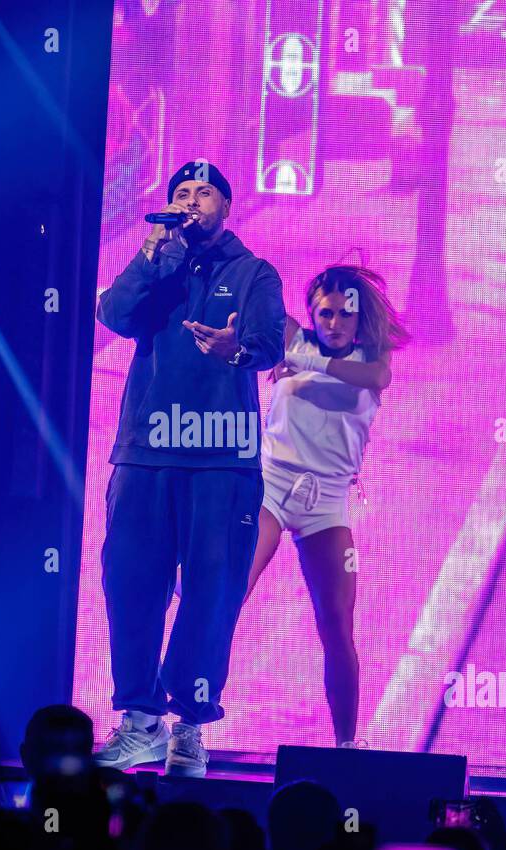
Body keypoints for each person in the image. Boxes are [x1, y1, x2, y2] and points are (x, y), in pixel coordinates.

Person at [93, 159, 285, 777]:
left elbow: (272, 343)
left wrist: (240, 350)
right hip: (145, 453)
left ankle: (191, 727)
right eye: (181, 192)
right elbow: (114, 315)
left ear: (226, 207)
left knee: (211, 591)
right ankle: (139, 722)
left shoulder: (253, 271)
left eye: (204, 192)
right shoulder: (159, 266)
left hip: (221, 462)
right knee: (131, 586)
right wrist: (152, 254)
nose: (192, 200)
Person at [243, 264, 408, 746]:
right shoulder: (293, 338)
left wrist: (303, 360)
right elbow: (256, 277)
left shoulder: (372, 361)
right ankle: (185, 721)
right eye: (324, 313)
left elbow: (373, 375)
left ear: (360, 319)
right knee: (229, 594)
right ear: (312, 314)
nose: (334, 323)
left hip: (327, 504)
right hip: (272, 489)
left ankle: (346, 743)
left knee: (336, 623)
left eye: (344, 314)